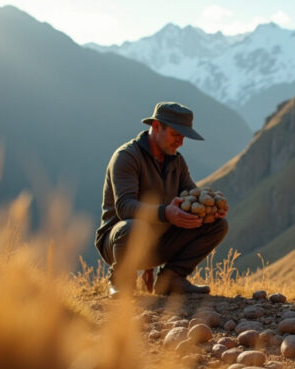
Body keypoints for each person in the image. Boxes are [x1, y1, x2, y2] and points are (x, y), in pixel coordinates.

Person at [95, 102, 228, 296]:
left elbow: (192, 195)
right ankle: (121, 281)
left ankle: (171, 280)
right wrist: (165, 213)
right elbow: (124, 207)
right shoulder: (126, 157)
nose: (180, 142)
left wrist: (211, 210)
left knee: (218, 225)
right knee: (133, 227)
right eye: (176, 134)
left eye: (183, 136)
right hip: (120, 241)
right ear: (156, 127)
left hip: (160, 241)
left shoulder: (177, 161)